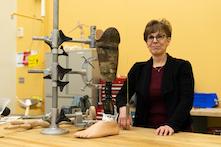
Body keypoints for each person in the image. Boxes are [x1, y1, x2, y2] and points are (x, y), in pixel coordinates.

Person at [116, 18, 194, 136]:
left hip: (175, 131)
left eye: (160, 36)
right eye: (150, 37)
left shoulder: (182, 67)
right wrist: (122, 108)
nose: (155, 41)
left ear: (168, 40)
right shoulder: (138, 69)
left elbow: (186, 101)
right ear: (146, 42)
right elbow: (122, 95)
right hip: (144, 132)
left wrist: (171, 125)